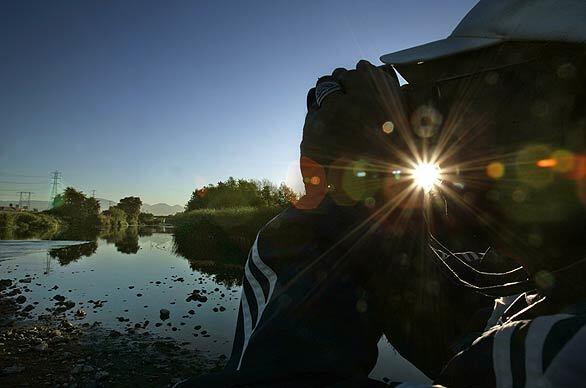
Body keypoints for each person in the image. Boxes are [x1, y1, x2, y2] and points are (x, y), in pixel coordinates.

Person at [180, 0, 586, 386]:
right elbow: (467, 335)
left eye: (454, 88)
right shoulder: (556, 305)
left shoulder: (568, 352)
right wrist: (381, 207)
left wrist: (339, 206)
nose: (437, 124)